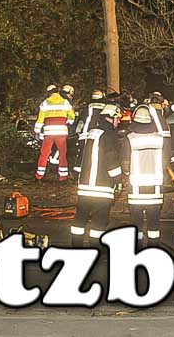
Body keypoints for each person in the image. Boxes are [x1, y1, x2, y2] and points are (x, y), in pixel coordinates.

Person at [70, 103, 123, 247]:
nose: (118, 122)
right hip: (101, 187)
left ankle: (76, 246)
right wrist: (118, 179)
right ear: (111, 118)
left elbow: (81, 157)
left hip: (85, 187)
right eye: (117, 118)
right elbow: (111, 158)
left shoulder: (92, 132)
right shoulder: (109, 134)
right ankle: (95, 247)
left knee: (80, 219)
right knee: (99, 221)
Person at [125, 105, 166, 246]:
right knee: (154, 226)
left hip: (136, 190)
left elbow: (124, 163)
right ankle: (153, 249)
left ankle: (137, 249)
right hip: (155, 190)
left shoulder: (130, 138)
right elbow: (165, 160)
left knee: (136, 224)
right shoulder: (160, 139)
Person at [35, 85, 75, 182]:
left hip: (49, 132)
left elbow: (40, 119)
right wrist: (67, 122)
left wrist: (37, 131)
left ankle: (39, 175)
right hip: (61, 132)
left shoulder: (45, 103)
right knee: (62, 154)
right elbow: (72, 117)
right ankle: (63, 176)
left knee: (44, 153)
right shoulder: (65, 102)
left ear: (49, 92)